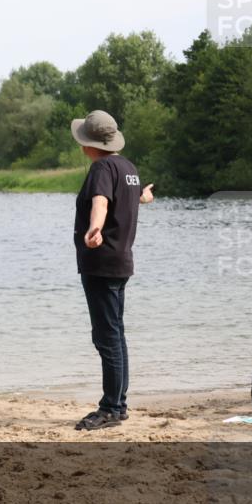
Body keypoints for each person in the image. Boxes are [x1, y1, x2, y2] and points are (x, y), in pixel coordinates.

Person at [71, 110, 154, 431]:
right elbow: (129, 198)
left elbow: (102, 202)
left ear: (88, 145)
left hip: (101, 263)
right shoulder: (128, 168)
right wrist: (144, 198)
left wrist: (94, 228)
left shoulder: (101, 168)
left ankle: (110, 409)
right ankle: (118, 405)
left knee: (107, 338)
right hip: (120, 262)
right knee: (115, 335)